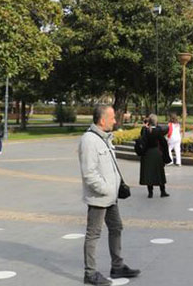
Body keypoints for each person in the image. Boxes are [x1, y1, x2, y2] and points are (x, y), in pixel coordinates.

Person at [78, 105, 140, 286]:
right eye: (112, 118)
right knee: (93, 234)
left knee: (116, 227)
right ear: (102, 120)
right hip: (99, 197)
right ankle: (90, 273)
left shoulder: (105, 138)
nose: (115, 121)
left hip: (111, 197)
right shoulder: (89, 140)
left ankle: (117, 265)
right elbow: (89, 174)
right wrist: (106, 189)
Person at [139, 114, 170, 198]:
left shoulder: (145, 130)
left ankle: (150, 193)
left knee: (148, 173)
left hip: (147, 154)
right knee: (159, 173)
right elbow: (164, 142)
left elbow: (141, 137)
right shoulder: (158, 130)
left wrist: (145, 126)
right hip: (156, 153)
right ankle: (162, 191)